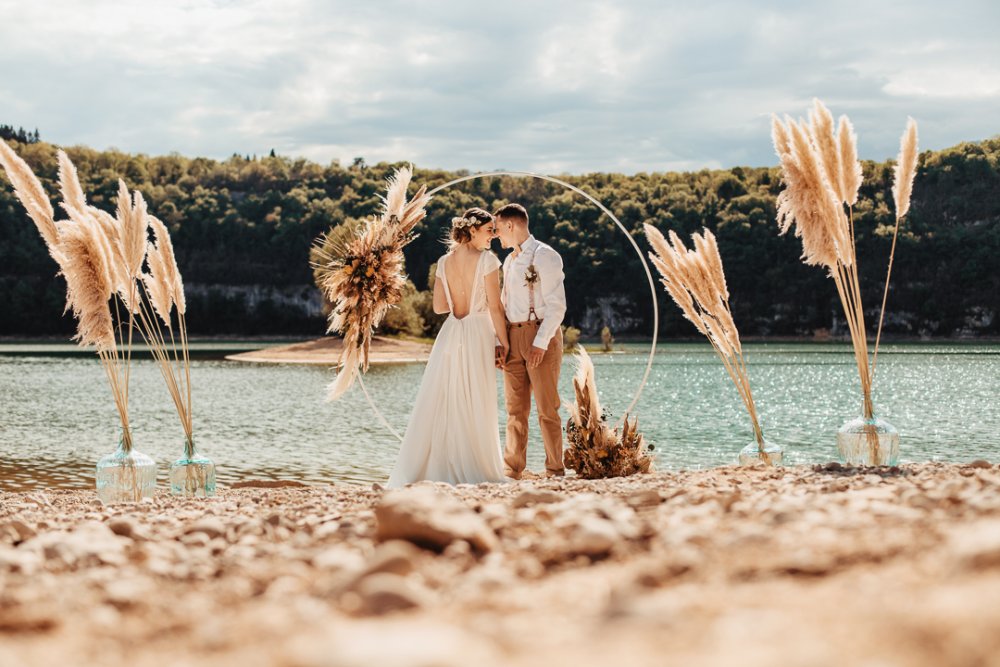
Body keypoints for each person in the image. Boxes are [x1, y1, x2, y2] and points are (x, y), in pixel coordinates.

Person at [387, 208, 509, 487]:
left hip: (452, 331)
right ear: (474, 230)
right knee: (478, 397)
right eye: (489, 230)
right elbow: (494, 306)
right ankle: (476, 465)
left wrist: (459, 301)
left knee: (448, 398)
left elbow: (440, 306)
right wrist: (503, 341)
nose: (493, 235)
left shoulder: (443, 262)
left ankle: (443, 462)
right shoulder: (488, 260)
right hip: (479, 331)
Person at [492, 203, 567, 479]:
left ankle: (554, 470)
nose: (497, 235)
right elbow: (503, 303)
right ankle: (512, 470)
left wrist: (541, 342)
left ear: (511, 226)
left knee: (547, 408)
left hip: (540, 335)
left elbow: (557, 306)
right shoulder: (510, 261)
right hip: (512, 337)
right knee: (515, 409)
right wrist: (499, 341)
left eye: (499, 229)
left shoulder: (545, 256)